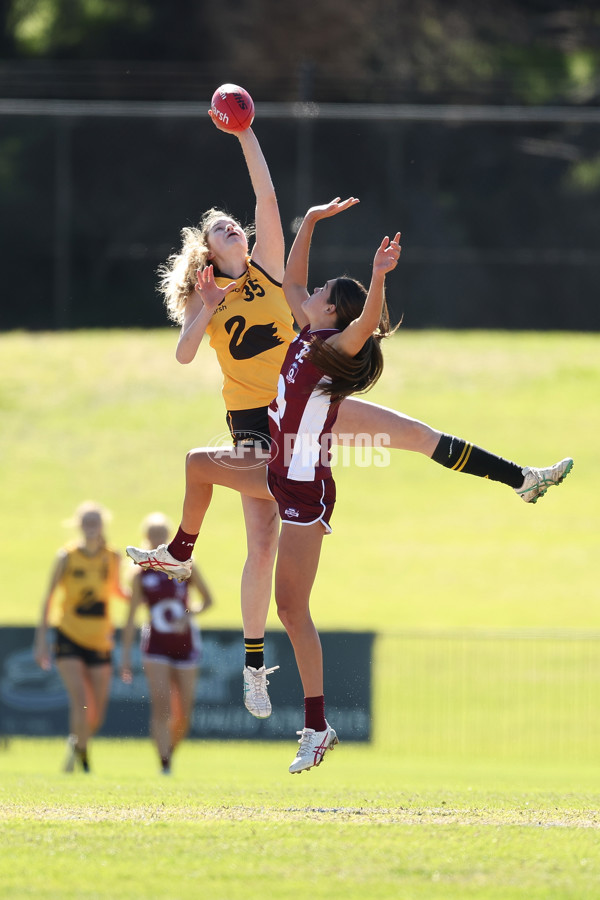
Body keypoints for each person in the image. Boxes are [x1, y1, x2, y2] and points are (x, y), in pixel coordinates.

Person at [128, 199, 573, 773]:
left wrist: (380, 277)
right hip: (279, 469)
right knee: (198, 466)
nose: (303, 295)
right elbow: (289, 278)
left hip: (303, 489)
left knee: (295, 608)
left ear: (331, 314)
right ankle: (181, 557)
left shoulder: (335, 344)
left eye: (317, 297)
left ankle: (315, 724)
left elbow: (364, 324)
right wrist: (308, 223)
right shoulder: (307, 329)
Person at [33, 502, 130, 773]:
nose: (90, 526)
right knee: (80, 700)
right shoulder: (66, 556)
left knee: (95, 713)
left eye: (95, 521)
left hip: (100, 640)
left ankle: (77, 746)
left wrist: (142, 588)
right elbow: (49, 597)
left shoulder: (111, 557)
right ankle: (76, 761)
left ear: (102, 525)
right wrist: (41, 640)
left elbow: (117, 591)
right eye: (85, 521)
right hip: (69, 635)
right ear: (78, 524)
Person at [120, 513, 214, 774]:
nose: (158, 539)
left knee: (184, 713)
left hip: (185, 645)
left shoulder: (186, 565)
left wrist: (189, 616)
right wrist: (126, 656)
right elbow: (130, 618)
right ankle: (164, 763)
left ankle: (169, 750)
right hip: (156, 646)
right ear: (147, 538)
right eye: (153, 534)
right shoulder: (141, 575)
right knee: (161, 706)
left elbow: (208, 600)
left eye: (162, 534)